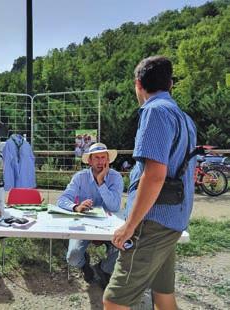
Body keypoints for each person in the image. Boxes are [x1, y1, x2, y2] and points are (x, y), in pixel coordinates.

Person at [103, 56, 197, 309]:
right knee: (163, 296)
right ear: (171, 85)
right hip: (173, 219)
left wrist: (130, 226)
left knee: (114, 301)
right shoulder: (185, 119)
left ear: (138, 84)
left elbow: (154, 175)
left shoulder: (155, 112)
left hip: (152, 221)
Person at [58, 142, 123, 287]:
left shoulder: (116, 177)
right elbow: (62, 199)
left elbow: (114, 206)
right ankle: (84, 265)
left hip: (109, 226)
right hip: (84, 225)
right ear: (89, 161)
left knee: (124, 247)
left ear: (108, 160)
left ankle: (103, 269)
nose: (100, 161)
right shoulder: (79, 177)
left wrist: (101, 183)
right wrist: (76, 207)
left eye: (103, 158)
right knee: (73, 257)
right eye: (96, 158)